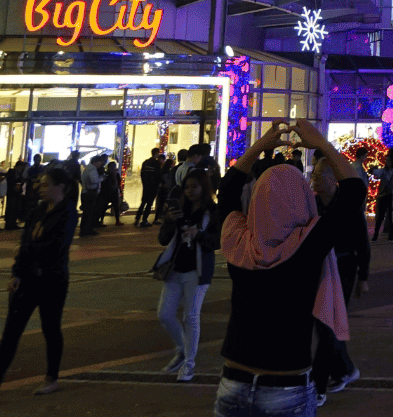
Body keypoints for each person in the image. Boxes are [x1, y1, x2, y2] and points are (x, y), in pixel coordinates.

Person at [208, 121, 361, 417]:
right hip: (286, 385)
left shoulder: (238, 240)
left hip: (234, 381)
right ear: (302, 200)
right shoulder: (308, 245)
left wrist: (260, 146)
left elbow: (227, 190)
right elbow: (354, 192)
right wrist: (322, 145)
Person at [0, 164, 78, 401]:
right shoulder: (37, 211)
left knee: (50, 328)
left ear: (61, 188)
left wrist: (26, 250)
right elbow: (25, 241)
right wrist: (16, 273)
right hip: (27, 278)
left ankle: (52, 378)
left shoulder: (67, 213)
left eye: (46, 184)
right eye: (40, 184)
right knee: (11, 331)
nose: (41, 188)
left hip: (52, 280)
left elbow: (56, 248)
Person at [310, 159, 370, 395]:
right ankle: (344, 369)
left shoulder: (347, 205)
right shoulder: (311, 204)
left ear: (332, 178)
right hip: (318, 269)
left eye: (318, 174)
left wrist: (363, 276)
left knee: (327, 324)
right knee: (323, 323)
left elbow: (362, 242)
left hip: (343, 267)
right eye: (313, 174)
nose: (314, 178)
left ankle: (319, 386)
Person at [155, 170, 219, 382]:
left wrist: (198, 234)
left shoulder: (212, 211)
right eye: (187, 187)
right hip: (175, 267)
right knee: (164, 314)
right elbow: (163, 240)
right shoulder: (179, 209)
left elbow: (217, 241)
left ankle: (189, 364)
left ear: (204, 187)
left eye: (195, 187)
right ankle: (182, 349)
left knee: (190, 316)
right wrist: (169, 221)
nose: (190, 191)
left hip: (198, 271)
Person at [372, 153, 393, 243]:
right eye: (386, 160)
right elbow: (376, 172)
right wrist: (372, 170)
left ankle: (391, 236)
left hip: (392, 196)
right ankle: (376, 235)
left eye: (389, 160)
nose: (387, 162)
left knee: (392, 216)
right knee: (380, 216)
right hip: (384, 195)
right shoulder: (384, 171)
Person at [135, 148, 164, 227]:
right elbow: (158, 175)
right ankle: (144, 220)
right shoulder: (156, 163)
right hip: (153, 186)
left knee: (143, 202)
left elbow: (142, 174)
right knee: (149, 203)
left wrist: (144, 183)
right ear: (157, 153)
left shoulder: (145, 162)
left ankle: (137, 219)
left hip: (146, 185)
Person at [78, 155, 105, 237]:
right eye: (100, 162)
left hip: (87, 193)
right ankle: (86, 230)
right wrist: (102, 178)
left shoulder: (88, 169)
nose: (101, 164)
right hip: (89, 193)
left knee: (87, 213)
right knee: (89, 213)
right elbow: (94, 180)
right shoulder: (92, 170)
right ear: (96, 162)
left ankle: (86, 229)